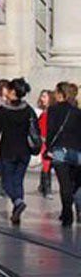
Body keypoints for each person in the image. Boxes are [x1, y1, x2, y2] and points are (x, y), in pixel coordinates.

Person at [0, 78, 36, 225]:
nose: (6, 92)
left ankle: (18, 201)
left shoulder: (4, 110)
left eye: (8, 89)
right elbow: (35, 130)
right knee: (18, 181)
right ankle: (17, 210)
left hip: (8, 151)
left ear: (13, 92)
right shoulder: (28, 110)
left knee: (7, 182)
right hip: (24, 151)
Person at [46, 82, 81, 226]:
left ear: (61, 93)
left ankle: (67, 214)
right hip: (77, 151)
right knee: (77, 183)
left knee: (65, 185)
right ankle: (79, 211)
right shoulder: (77, 112)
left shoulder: (53, 110)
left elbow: (51, 130)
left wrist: (49, 148)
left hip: (60, 151)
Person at [38, 89, 54, 198]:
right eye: (41, 96)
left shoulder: (52, 112)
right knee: (46, 164)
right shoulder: (41, 112)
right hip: (42, 141)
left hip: (49, 141)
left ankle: (44, 186)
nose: (42, 99)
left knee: (47, 164)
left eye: (44, 96)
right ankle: (46, 188)